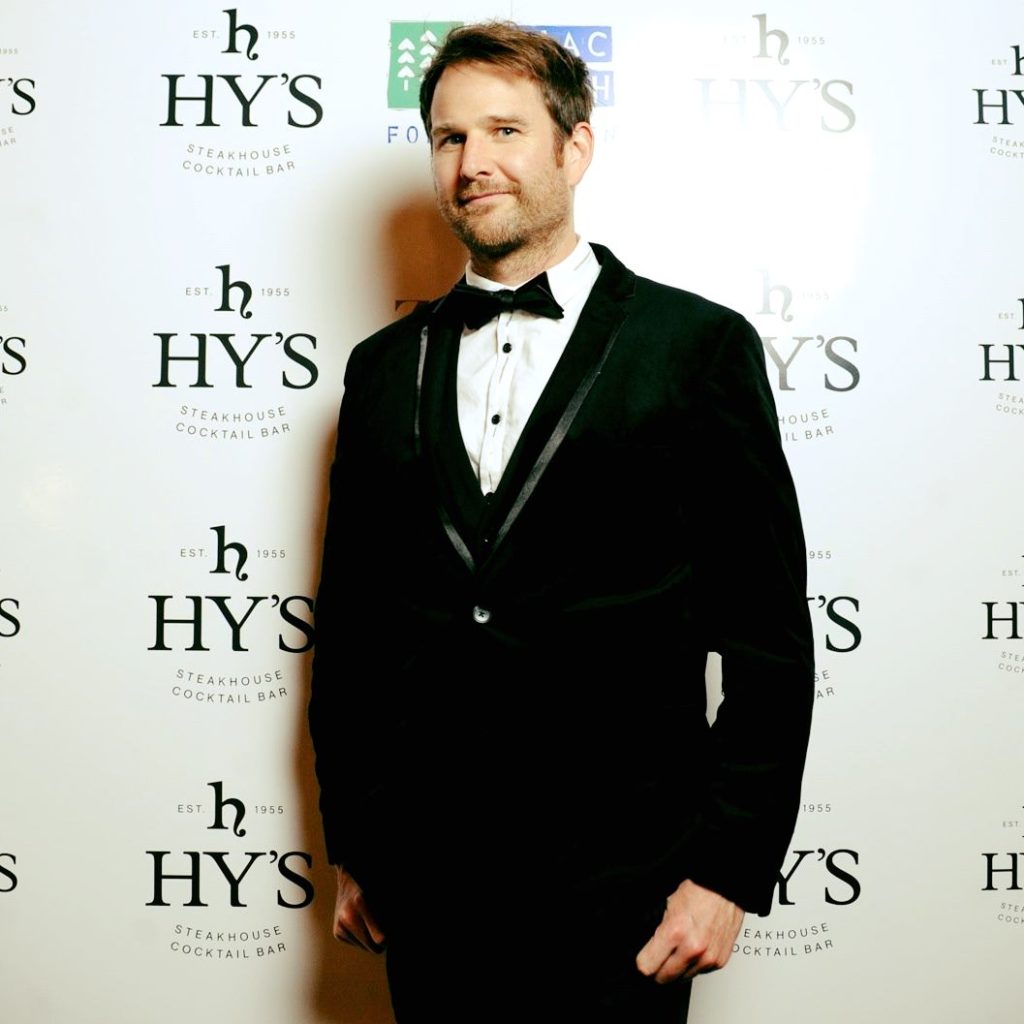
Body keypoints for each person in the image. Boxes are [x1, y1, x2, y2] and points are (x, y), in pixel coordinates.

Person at [308, 21, 814, 1024]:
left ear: (574, 148)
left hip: (626, 898)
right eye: (450, 137)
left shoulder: (695, 347)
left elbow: (767, 640)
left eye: (505, 130)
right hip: (429, 894)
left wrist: (725, 871)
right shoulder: (380, 370)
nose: (473, 162)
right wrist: (358, 844)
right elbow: (354, 631)